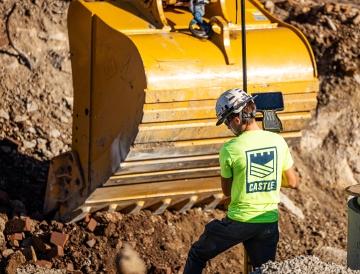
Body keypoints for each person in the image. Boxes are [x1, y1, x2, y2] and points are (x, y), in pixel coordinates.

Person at [183, 88, 298, 274]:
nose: (228, 127)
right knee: (265, 270)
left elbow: (227, 191)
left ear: (236, 118)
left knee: (197, 254)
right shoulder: (278, 141)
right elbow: (293, 182)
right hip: (269, 222)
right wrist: (270, 177)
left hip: (240, 221)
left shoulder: (230, 149)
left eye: (227, 121)